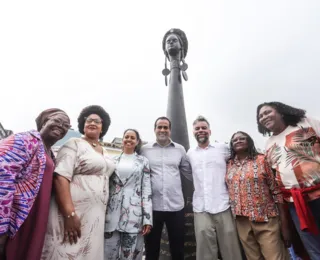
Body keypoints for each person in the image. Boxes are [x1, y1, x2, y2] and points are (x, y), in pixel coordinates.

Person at [41, 105, 115, 260]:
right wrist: (69, 214)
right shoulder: (73, 144)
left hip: (95, 216)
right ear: (83, 124)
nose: (92, 123)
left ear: (103, 127)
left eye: (97, 121)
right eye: (88, 120)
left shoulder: (105, 151)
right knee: (68, 250)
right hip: (73, 212)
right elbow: (60, 177)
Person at [0, 108, 70, 260]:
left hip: (35, 217)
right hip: (15, 218)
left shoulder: (49, 152)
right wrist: (2, 226)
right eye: (57, 121)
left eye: (66, 125)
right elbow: (2, 178)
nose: (61, 126)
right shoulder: (24, 139)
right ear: (44, 122)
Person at [257, 101, 320, 259]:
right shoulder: (269, 144)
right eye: (260, 116)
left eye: (267, 112)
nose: (264, 117)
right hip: (295, 203)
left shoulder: (306, 123)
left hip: (318, 193)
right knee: (312, 247)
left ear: (280, 111)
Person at [226, 131, 290, 260]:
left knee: (274, 256)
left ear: (249, 141)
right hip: (241, 219)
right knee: (253, 257)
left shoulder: (262, 160)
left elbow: (276, 191)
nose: (238, 141)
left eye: (242, 138)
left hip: (265, 218)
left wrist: (284, 222)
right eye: (235, 140)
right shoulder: (229, 164)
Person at [187, 116, 242, 260]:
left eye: (204, 128)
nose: (201, 131)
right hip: (201, 207)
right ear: (193, 132)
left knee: (231, 249)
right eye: (197, 128)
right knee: (205, 251)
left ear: (209, 131)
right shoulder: (190, 153)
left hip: (223, 204)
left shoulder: (222, 148)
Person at [140, 116, 192, 260]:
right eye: (159, 127)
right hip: (153, 207)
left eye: (165, 127)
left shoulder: (180, 150)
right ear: (155, 129)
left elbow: (188, 173)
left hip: (176, 206)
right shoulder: (145, 150)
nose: (162, 130)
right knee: (151, 247)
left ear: (170, 130)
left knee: (177, 247)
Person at [104, 129, 152, 260]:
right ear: (123, 139)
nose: (129, 139)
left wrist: (147, 218)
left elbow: (146, 190)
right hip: (111, 213)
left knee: (129, 254)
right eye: (126, 137)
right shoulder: (112, 160)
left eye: (132, 137)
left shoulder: (143, 161)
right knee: (108, 253)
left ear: (137, 142)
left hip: (134, 215)